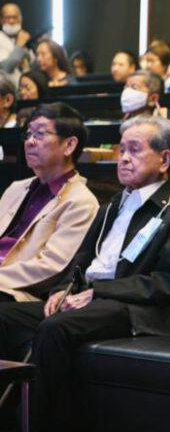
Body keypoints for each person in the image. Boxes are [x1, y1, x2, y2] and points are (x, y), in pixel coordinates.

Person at [0, 114, 170, 432]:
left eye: (134, 150)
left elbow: (163, 284)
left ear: (164, 159)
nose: (123, 158)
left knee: (56, 328)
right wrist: (61, 291)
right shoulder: (112, 206)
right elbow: (81, 262)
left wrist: (98, 292)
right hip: (91, 300)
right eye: (121, 150)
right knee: (5, 316)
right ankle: (6, 426)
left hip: (137, 310)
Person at [0, 103, 98, 302]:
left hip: (17, 293)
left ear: (69, 145)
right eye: (28, 134)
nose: (30, 142)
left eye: (40, 134)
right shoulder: (16, 188)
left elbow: (50, 267)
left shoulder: (81, 202)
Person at [0, 3, 31, 84]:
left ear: (20, 20)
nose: (11, 21)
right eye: (8, 18)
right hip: (6, 89)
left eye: (15, 17)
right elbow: (6, 68)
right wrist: (19, 46)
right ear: (1, 20)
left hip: (24, 88)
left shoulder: (23, 37)